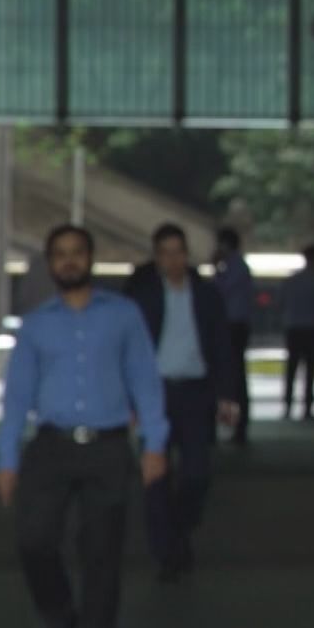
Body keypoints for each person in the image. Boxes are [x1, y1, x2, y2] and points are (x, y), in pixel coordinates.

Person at [0, 225, 169, 628]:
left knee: (101, 554)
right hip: (51, 446)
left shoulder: (123, 316)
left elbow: (145, 382)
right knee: (34, 540)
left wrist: (154, 442)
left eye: (77, 254)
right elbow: (16, 398)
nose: (69, 262)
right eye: (60, 256)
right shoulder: (36, 326)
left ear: (90, 259)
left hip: (108, 446)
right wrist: (7, 458)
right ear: (51, 265)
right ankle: (60, 620)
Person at [124, 224, 242, 581]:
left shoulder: (206, 296)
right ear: (156, 257)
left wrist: (228, 394)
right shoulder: (143, 297)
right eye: (165, 253)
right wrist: (130, 401)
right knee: (156, 475)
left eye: (178, 252)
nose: (172, 260)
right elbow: (128, 352)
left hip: (195, 392)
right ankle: (167, 552)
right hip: (155, 394)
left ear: (186, 255)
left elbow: (223, 347)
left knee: (197, 473)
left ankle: (178, 527)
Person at [211, 227, 256, 446]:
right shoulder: (235, 266)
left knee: (235, 376)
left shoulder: (235, 267)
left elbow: (219, 290)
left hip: (234, 325)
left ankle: (240, 425)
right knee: (234, 375)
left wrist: (216, 268)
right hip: (233, 324)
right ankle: (236, 425)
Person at [279, 244, 314, 421]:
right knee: (309, 370)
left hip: (293, 328)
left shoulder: (292, 280)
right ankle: (307, 408)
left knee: (291, 369)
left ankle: (287, 406)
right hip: (311, 329)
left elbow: (282, 303)